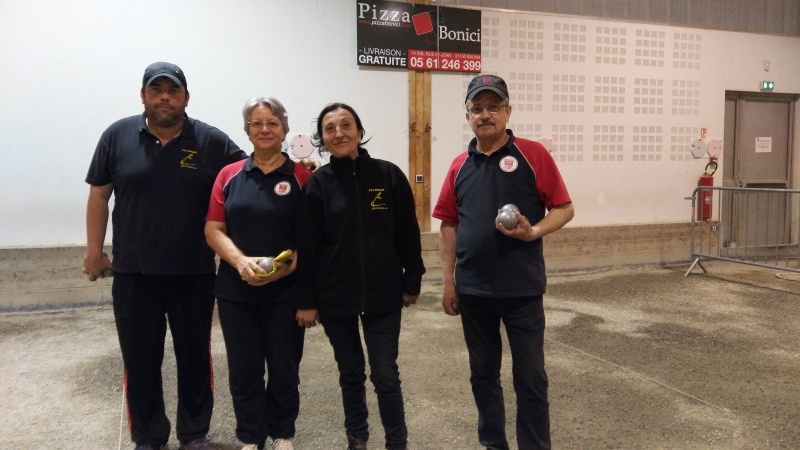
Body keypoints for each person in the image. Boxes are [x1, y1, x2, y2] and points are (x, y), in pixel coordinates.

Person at [83, 61, 246, 450]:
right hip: (133, 274)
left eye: (173, 91)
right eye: (156, 90)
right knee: (139, 360)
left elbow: (252, 174)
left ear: (186, 98)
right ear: (143, 96)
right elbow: (99, 194)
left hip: (193, 272)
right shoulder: (116, 136)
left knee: (195, 358)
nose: (164, 97)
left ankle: (194, 433)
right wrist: (94, 251)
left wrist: (297, 168)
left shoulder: (211, 141)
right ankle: (148, 435)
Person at [432, 75, 575, 450]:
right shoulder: (459, 165)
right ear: (467, 115)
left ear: (508, 111)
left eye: (493, 107)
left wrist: (534, 231)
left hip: (521, 290)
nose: (485, 115)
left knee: (530, 378)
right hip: (473, 291)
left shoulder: (532, 155)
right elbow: (448, 223)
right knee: (483, 375)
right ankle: (493, 444)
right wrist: (448, 282)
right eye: (477, 108)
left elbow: (564, 208)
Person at [295, 103, 425, 450]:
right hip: (334, 297)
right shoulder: (318, 184)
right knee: (350, 372)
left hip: (384, 295)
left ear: (359, 131)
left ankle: (397, 442)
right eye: (330, 128)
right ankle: (357, 439)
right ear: (322, 139)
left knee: (385, 374)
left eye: (346, 125)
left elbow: (407, 233)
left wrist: (412, 280)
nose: (339, 133)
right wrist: (306, 300)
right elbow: (307, 246)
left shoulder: (388, 175)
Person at [205, 96, 310, 450]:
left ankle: (282, 433)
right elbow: (213, 229)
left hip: (286, 293)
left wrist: (283, 271)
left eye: (273, 123)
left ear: (284, 129)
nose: (265, 129)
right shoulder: (229, 175)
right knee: (244, 369)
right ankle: (250, 437)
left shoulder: (302, 176)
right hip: (236, 292)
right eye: (257, 123)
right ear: (247, 129)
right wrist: (240, 262)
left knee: (284, 368)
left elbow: (312, 238)